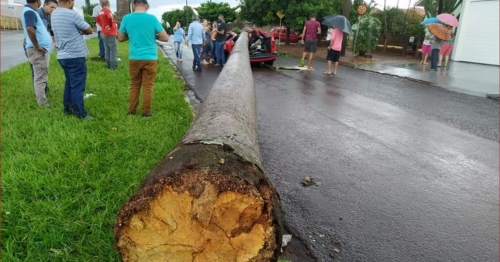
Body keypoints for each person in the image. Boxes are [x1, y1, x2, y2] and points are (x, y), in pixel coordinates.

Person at [118, 0, 169, 117]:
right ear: (146, 6)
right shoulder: (152, 18)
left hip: (134, 57)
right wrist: (153, 35)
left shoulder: (127, 18)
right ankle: (146, 112)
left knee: (134, 84)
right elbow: (165, 38)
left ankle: (132, 110)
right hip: (150, 57)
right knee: (148, 85)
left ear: (133, 5)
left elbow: (120, 38)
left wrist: (131, 35)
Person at [51, 0, 94, 119]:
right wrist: (81, 31)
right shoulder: (72, 14)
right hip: (75, 55)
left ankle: (67, 109)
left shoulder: (54, 14)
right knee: (77, 86)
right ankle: (80, 113)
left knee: (69, 84)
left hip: (63, 56)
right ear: (70, 1)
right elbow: (89, 30)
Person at [21, 0, 53, 108]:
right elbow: (30, 28)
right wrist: (37, 45)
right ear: (38, 1)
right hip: (37, 50)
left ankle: (42, 100)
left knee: (40, 76)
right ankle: (43, 104)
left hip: (38, 49)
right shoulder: (29, 12)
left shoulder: (29, 11)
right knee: (40, 78)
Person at [96, 0, 117, 70]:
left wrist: (103, 26)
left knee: (107, 50)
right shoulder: (108, 11)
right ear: (108, 4)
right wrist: (110, 26)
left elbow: (97, 19)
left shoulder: (100, 12)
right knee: (113, 50)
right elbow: (110, 18)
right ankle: (113, 66)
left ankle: (108, 65)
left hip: (103, 32)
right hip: (110, 33)